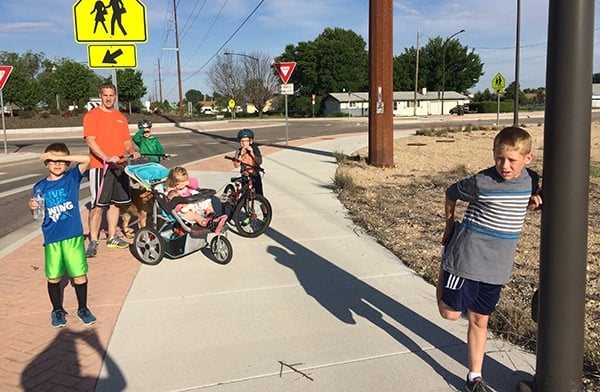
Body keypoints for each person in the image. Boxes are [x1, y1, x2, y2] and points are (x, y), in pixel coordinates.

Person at [436, 126, 542, 392]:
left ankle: (474, 377)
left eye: (511, 160)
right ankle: (445, 261)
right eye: (498, 158)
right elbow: (451, 192)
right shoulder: (481, 182)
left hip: (498, 265)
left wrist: (535, 199)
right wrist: (449, 226)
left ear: (527, 159)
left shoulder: (531, 180)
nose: (504, 166)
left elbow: (531, 196)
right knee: (449, 314)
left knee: (480, 319)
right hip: (466, 256)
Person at [28, 143, 97, 328]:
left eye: (61, 161)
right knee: (54, 276)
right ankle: (57, 309)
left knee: (79, 275)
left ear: (67, 163)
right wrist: (32, 207)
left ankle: (83, 308)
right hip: (52, 237)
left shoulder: (71, 178)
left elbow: (87, 160)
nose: (57, 164)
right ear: (45, 163)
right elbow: (39, 213)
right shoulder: (40, 186)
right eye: (52, 161)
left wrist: (62, 158)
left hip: (73, 235)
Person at [83, 82, 140, 257]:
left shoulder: (120, 117)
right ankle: (93, 241)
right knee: (98, 205)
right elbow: (90, 141)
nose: (108, 98)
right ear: (100, 96)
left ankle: (112, 236)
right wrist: (106, 156)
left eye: (111, 95)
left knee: (116, 204)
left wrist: (131, 151)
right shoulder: (92, 116)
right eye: (105, 95)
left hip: (120, 166)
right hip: (101, 167)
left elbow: (126, 141)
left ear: (115, 96)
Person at [232, 128, 264, 196]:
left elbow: (260, 162)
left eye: (245, 141)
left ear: (250, 141)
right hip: (245, 175)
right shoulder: (239, 151)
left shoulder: (255, 149)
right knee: (246, 196)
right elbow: (236, 165)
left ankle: (263, 206)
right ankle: (246, 205)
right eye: (241, 141)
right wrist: (241, 155)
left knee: (260, 195)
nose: (243, 143)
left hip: (255, 174)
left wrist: (252, 153)